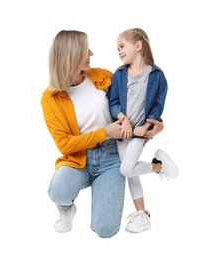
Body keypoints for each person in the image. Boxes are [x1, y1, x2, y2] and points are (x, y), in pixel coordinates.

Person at [41, 30, 164, 238]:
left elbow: (137, 103)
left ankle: (146, 174)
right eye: (85, 50)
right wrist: (103, 132)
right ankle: (66, 210)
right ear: (70, 56)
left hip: (112, 156)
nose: (91, 53)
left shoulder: (104, 76)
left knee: (105, 230)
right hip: (78, 159)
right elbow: (65, 145)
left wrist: (158, 123)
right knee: (58, 191)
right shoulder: (50, 98)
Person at [108, 28, 179, 233]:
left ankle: (159, 167)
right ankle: (142, 213)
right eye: (117, 49)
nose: (119, 52)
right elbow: (113, 102)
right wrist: (123, 119)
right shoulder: (119, 74)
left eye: (122, 46)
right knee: (130, 173)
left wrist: (146, 126)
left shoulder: (156, 75)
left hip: (139, 133)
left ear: (138, 46)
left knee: (126, 169)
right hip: (122, 132)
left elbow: (158, 105)